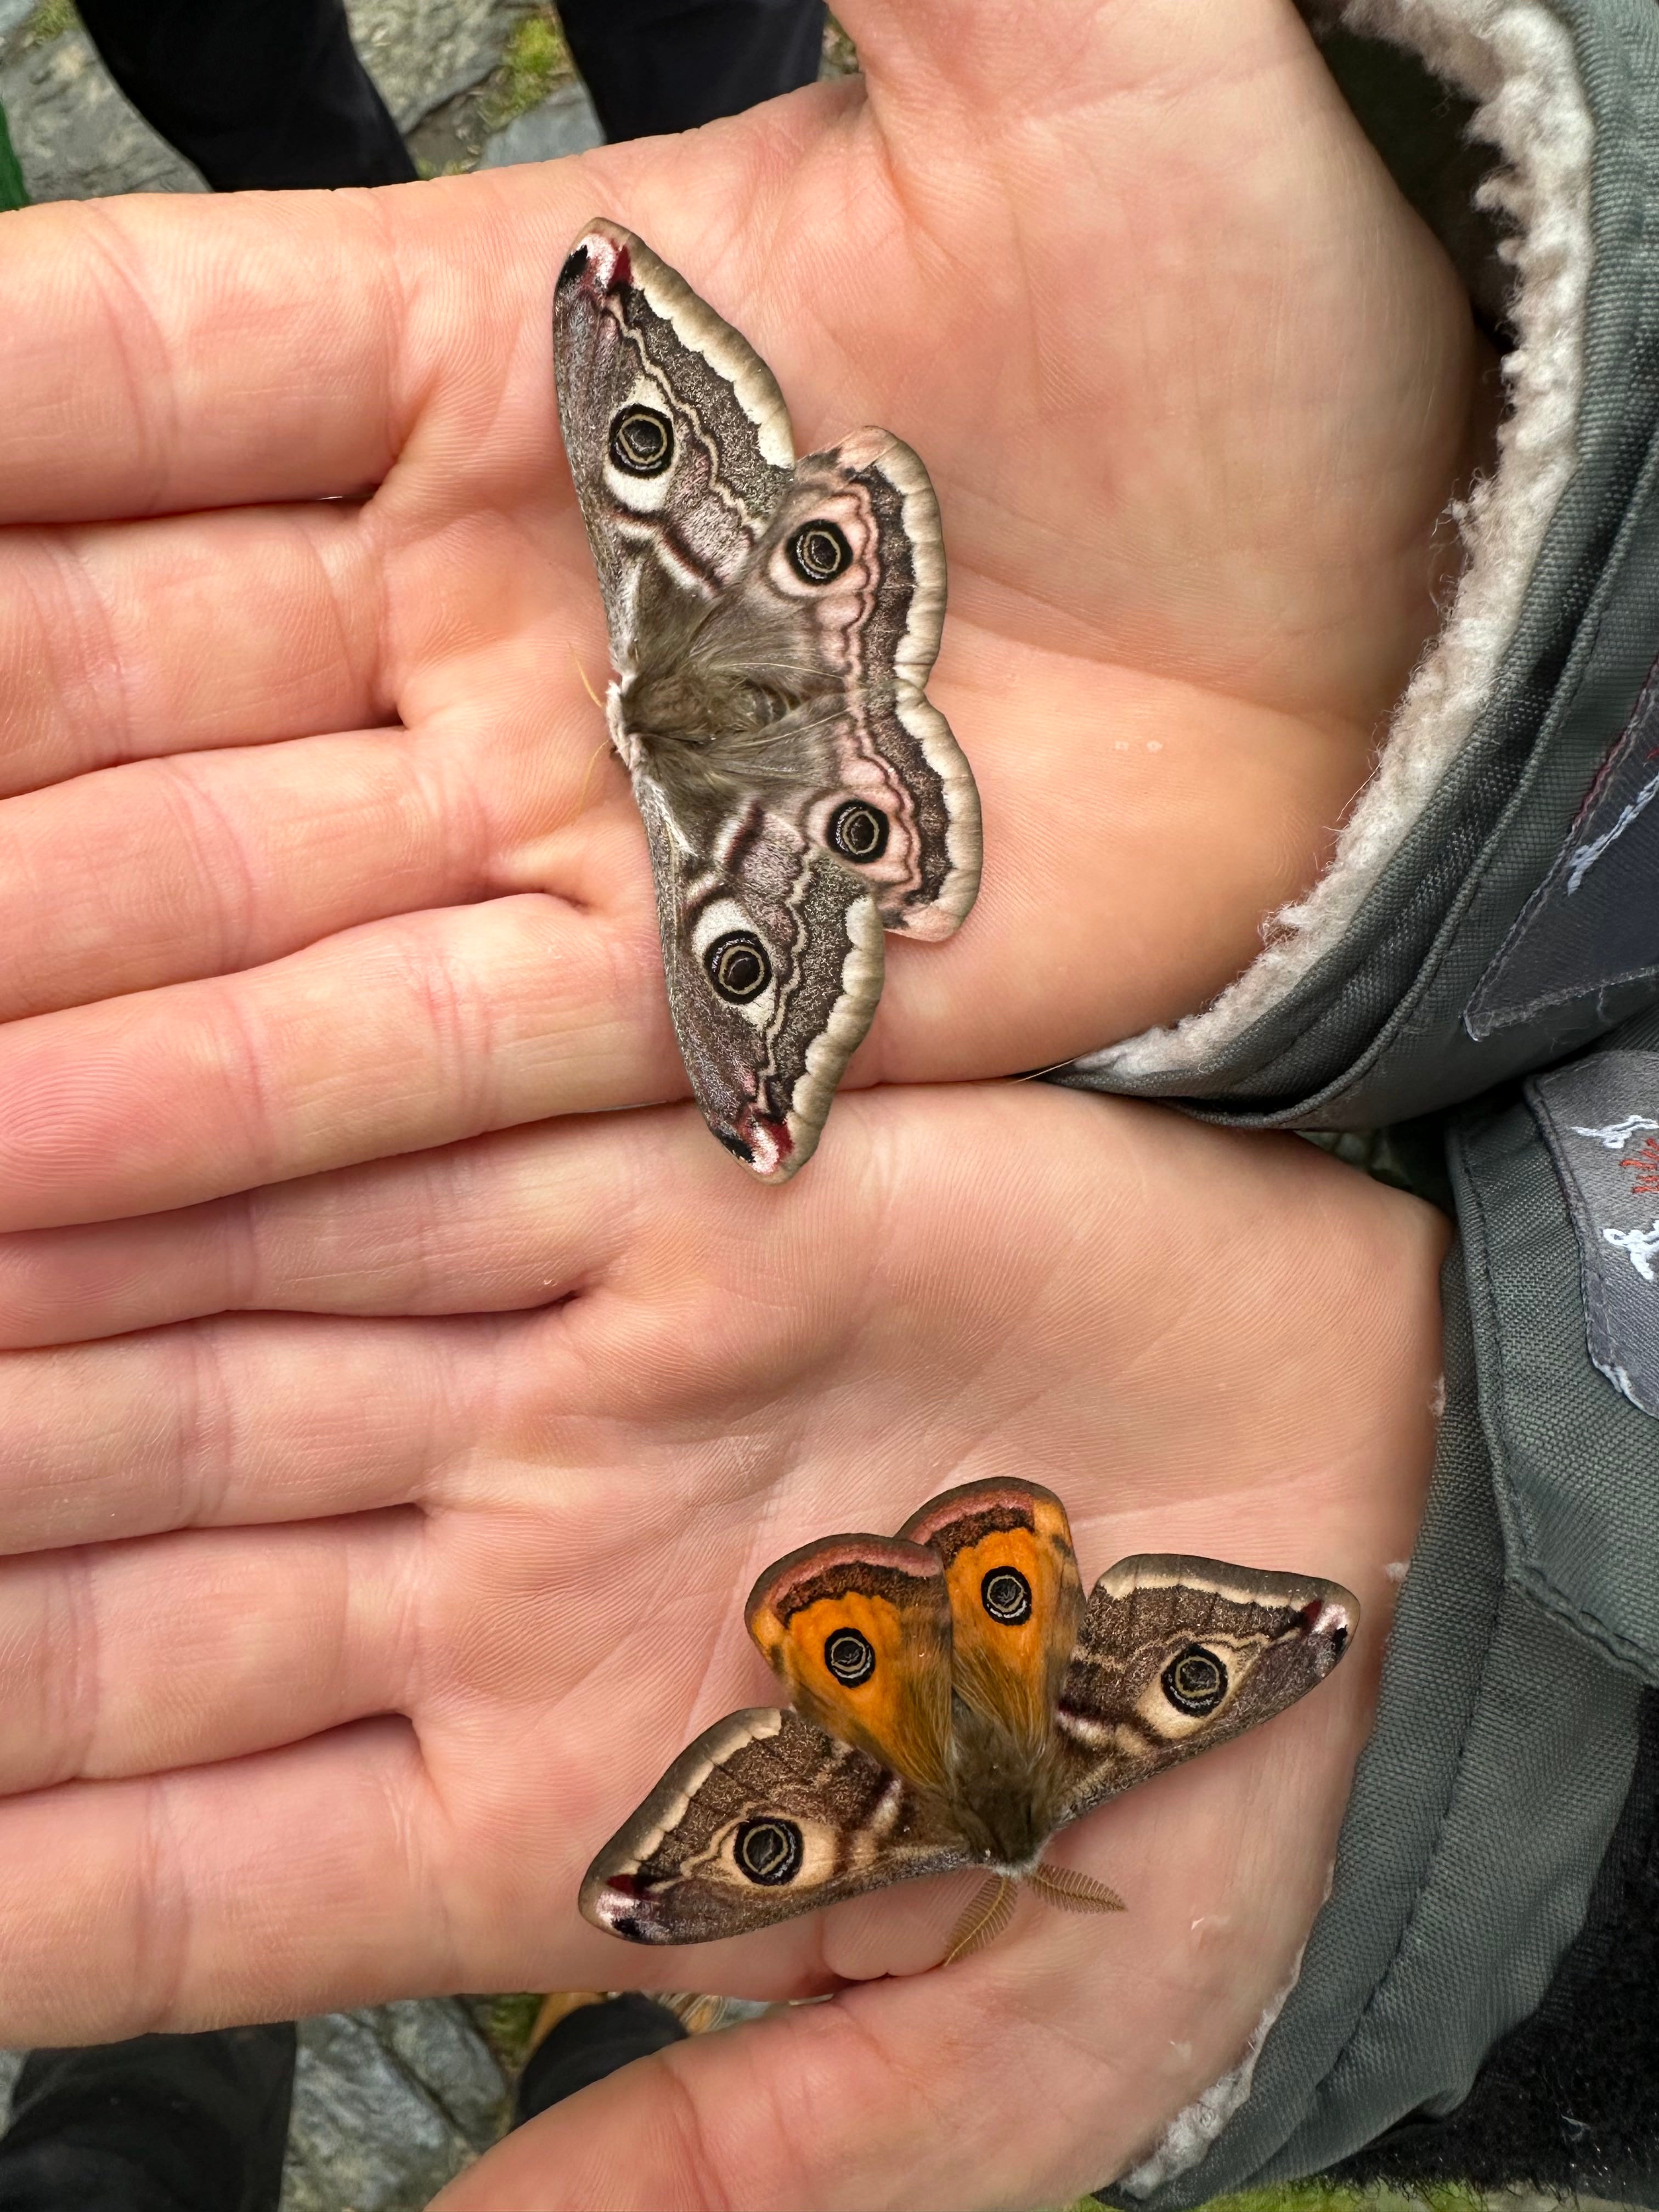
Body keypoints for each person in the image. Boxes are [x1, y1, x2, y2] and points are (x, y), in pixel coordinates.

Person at [0, 3, 1649, 2208]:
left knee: (737, 858)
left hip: (774, 790)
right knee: (736, 848)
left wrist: (1503, 1682)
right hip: (762, 755)